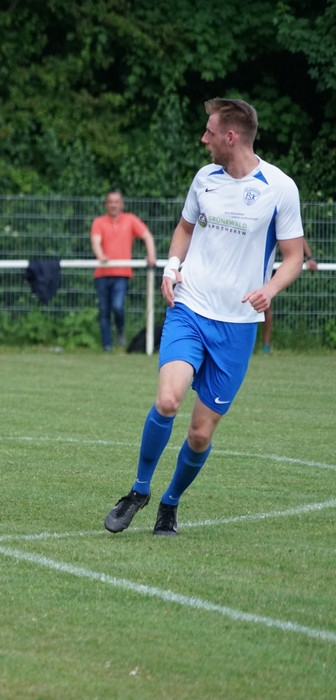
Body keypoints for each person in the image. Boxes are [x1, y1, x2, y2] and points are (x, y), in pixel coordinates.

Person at [104, 98, 305, 536]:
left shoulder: (279, 188)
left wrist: (270, 289)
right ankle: (138, 491)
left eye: (209, 132)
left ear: (230, 137)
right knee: (167, 400)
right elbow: (185, 228)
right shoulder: (204, 179)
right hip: (189, 309)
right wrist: (171, 267)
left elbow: (293, 256)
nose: (203, 139)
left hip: (237, 326)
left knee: (199, 434)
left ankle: (170, 503)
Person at [90, 189, 157, 351]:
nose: (113, 205)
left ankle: (120, 330)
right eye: (110, 202)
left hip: (121, 274)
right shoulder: (99, 222)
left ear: (121, 204)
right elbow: (95, 241)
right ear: (106, 205)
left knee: (117, 306)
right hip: (102, 274)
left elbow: (147, 236)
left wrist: (152, 256)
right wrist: (101, 256)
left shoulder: (130, 220)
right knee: (104, 311)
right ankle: (107, 346)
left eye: (116, 202)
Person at [261, 239, 318, 353]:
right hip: (258, 265)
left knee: (265, 305)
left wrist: (310, 258)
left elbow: (299, 238)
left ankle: (266, 346)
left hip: (278, 267)